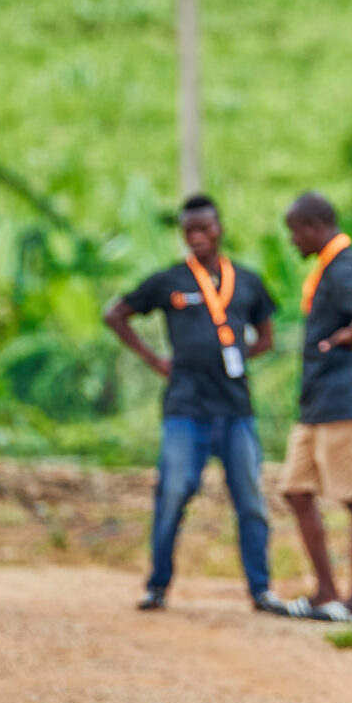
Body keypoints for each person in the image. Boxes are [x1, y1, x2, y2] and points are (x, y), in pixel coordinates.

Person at [103, 193, 281, 613]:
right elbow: (115, 313)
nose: (197, 237)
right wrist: (153, 359)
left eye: (204, 228)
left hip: (236, 409)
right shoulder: (169, 280)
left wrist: (235, 359)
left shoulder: (248, 281)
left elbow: (267, 337)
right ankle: (157, 586)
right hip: (185, 407)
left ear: (219, 229)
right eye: (189, 231)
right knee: (173, 493)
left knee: (250, 500)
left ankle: (261, 591)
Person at [276, 192, 352, 618]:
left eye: (295, 232)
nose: (292, 241)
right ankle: (326, 591)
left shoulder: (343, 265)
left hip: (344, 401)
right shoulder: (328, 265)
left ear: (313, 227)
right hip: (317, 401)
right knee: (295, 489)